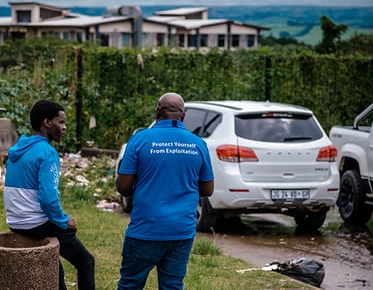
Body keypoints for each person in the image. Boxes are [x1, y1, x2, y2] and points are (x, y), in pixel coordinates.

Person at [117, 92, 214, 290]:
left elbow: (123, 187)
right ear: (183, 116)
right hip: (181, 231)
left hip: (145, 230)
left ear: (157, 113)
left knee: (130, 284)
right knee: (172, 285)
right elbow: (207, 189)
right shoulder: (198, 144)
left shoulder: (140, 139)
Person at [3, 100, 95, 290]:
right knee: (86, 262)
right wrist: (63, 221)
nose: (64, 127)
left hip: (15, 221)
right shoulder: (46, 152)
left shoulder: (18, 150)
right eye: (60, 122)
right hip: (36, 224)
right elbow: (48, 199)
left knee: (55, 268)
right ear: (46, 122)